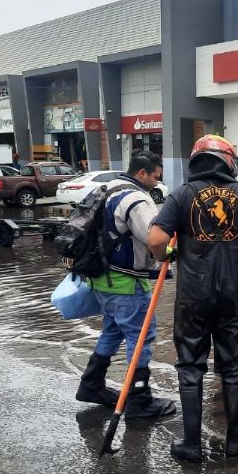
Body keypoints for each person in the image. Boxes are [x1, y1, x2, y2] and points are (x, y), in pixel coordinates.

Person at [148, 136, 238, 462]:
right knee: (233, 367)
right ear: (228, 162)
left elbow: (155, 238)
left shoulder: (182, 194)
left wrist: (167, 253)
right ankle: (234, 442)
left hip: (193, 297)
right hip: (233, 297)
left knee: (190, 368)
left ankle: (191, 445)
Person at [75, 151, 175, 422]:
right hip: (126, 281)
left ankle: (91, 385)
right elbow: (153, 240)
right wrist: (171, 253)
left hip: (100, 278)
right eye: (155, 176)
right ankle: (139, 400)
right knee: (140, 335)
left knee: (112, 330)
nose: (157, 182)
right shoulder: (136, 198)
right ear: (142, 172)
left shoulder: (106, 189)